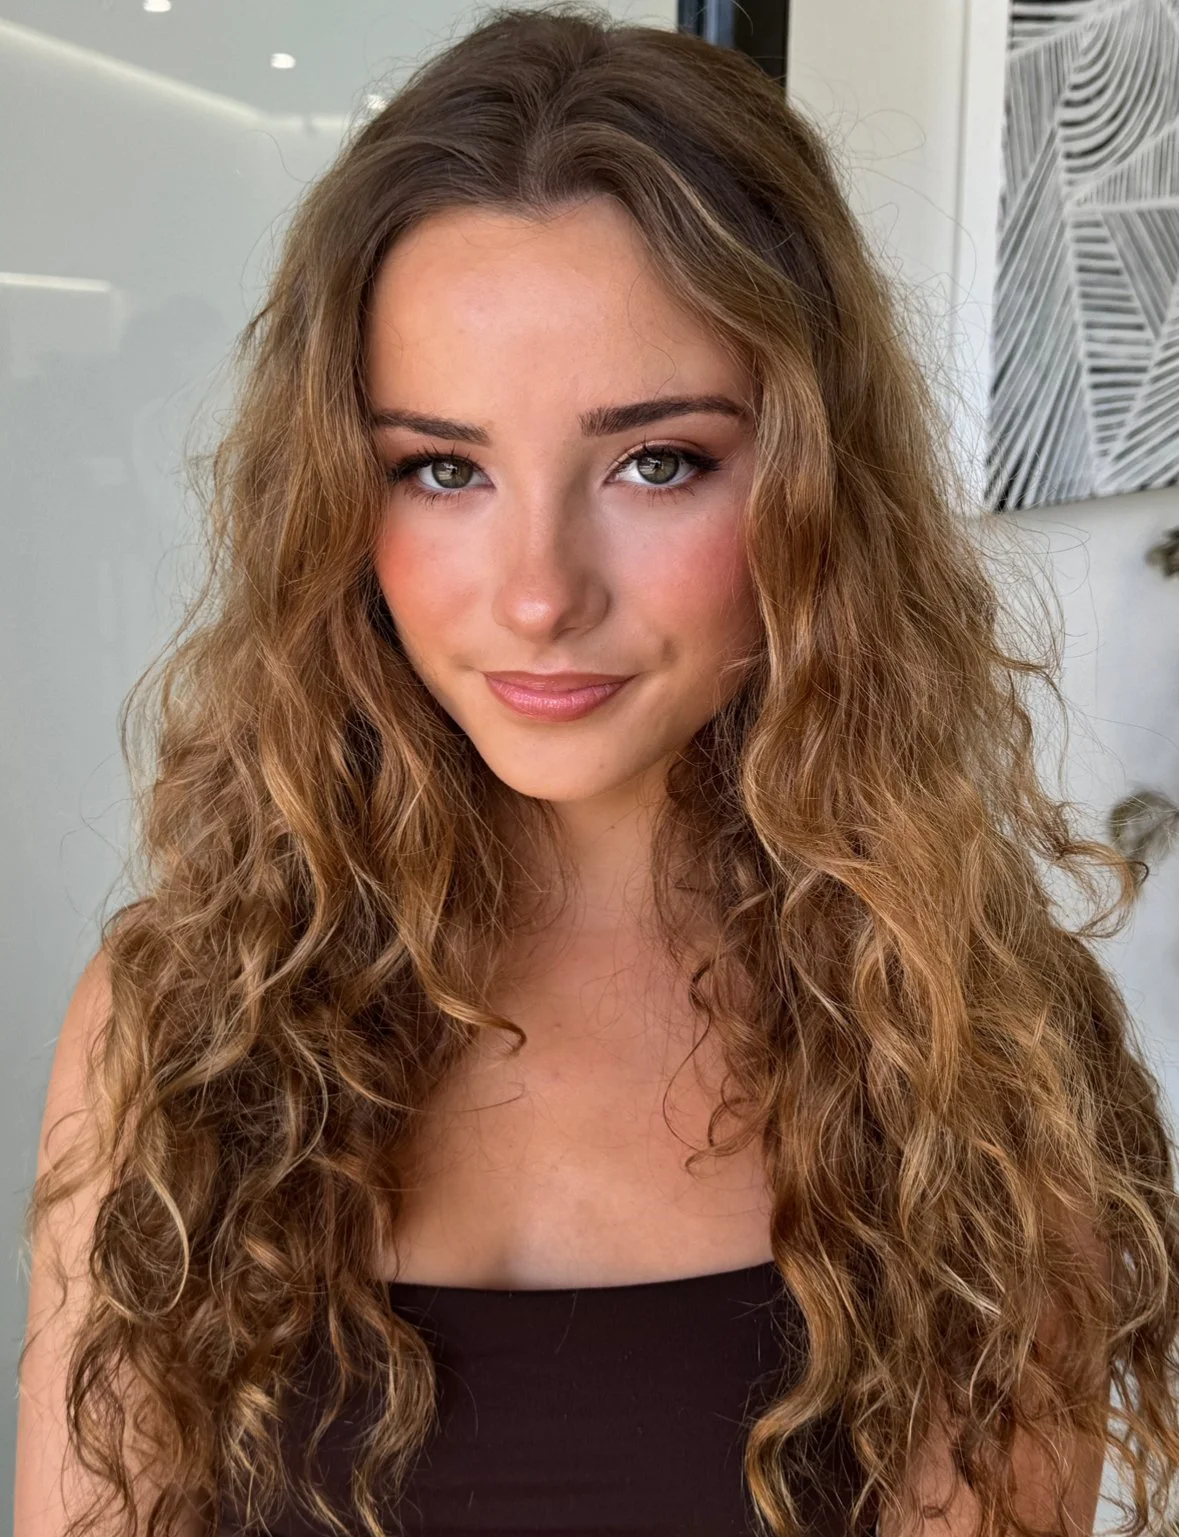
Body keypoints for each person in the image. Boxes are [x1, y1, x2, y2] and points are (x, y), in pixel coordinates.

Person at [14, 6, 1179, 1536]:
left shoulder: (978, 1057)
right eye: (442, 469)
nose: (539, 592)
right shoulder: (178, 1017)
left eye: (655, 462)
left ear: (815, 487)